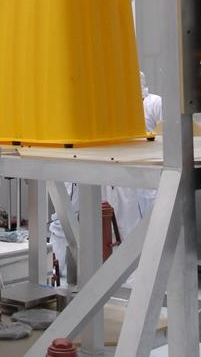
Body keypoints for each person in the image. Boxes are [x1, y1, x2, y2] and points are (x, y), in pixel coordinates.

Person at [48, 74, 162, 279]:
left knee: (130, 227)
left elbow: (166, 135)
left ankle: (131, 280)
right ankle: (59, 272)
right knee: (65, 221)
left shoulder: (151, 103)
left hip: (130, 174)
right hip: (89, 167)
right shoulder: (97, 103)